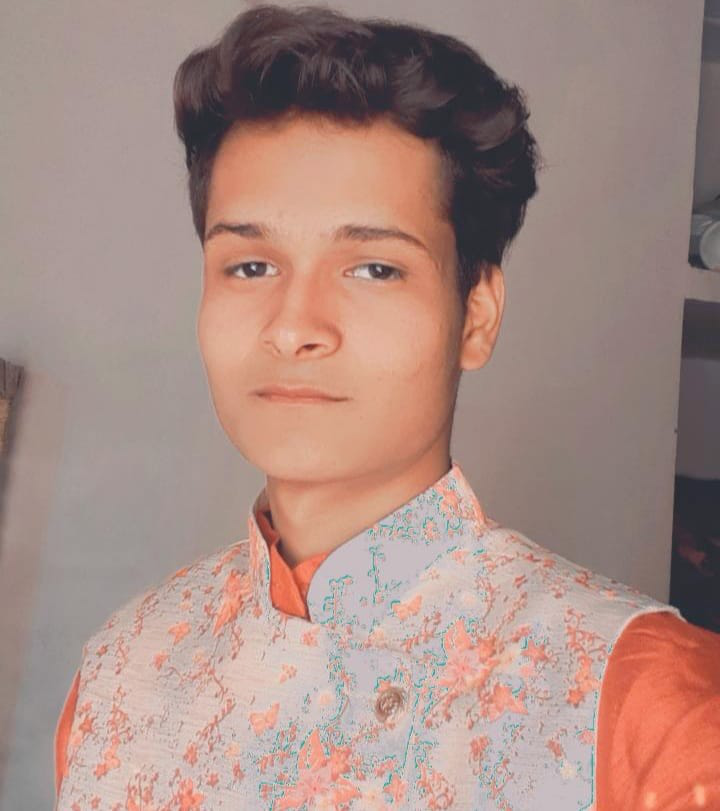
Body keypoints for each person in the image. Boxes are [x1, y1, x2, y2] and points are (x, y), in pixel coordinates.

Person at [54, 4, 720, 809]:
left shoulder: (652, 704)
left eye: (373, 268)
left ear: (475, 316)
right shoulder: (119, 674)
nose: (293, 326)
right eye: (250, 265)